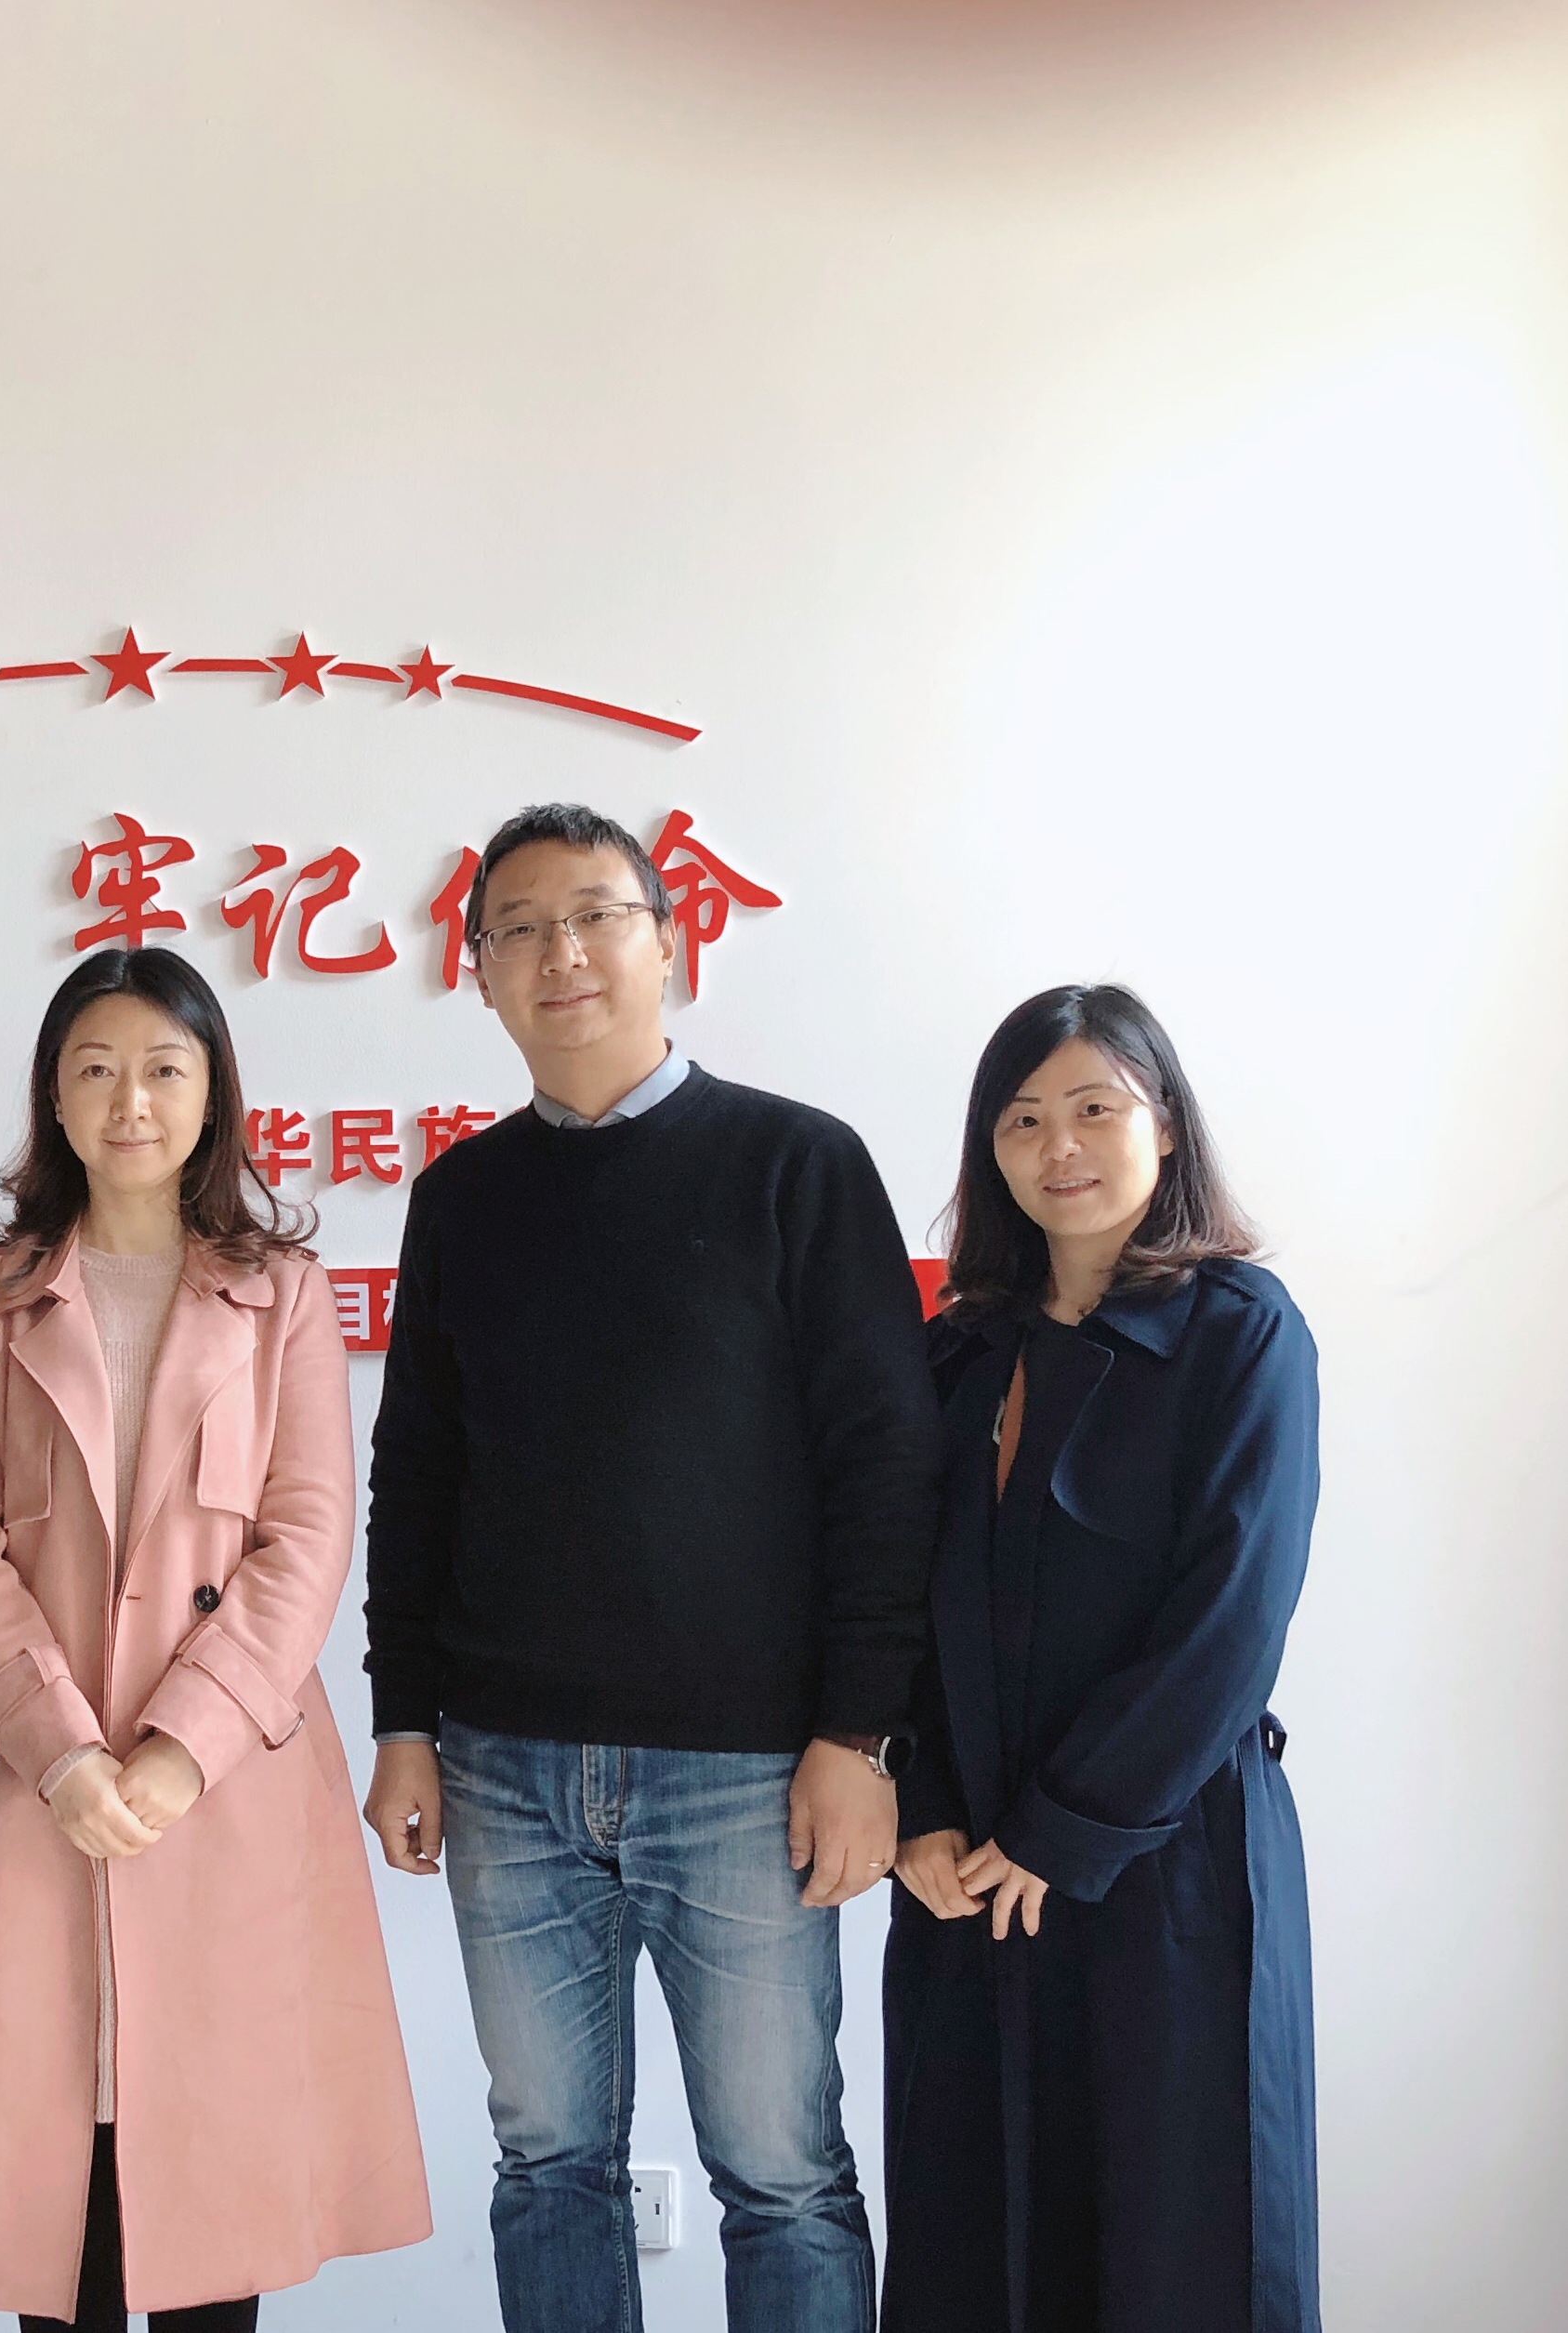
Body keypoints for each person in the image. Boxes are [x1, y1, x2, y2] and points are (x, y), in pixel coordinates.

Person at [359, 800, 945, 2333]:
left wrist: (861, 1733)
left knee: (783, 2173)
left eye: (595, 915)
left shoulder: (797, 1164)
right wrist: (404, 1717)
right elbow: (416, 1477)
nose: (560, 953)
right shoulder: (461, 1199)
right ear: (481, 972)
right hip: (505, 1767)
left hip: (750, 1770)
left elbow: (887, 1466)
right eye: (519, 928)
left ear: (668, 945)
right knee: (548, 2164)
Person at [0, 947, 431, 2333]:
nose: (130, 1100)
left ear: (210, 1095)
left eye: (163, 1069)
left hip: (225, 1795)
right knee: (51, 2206)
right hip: (35, 1789)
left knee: (210, 2205)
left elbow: (306, 1538)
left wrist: (183, 1748)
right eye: (96, 1068)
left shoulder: (283, 1292)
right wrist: (63, 1752)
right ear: (54, 1099)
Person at [881, 984, 1320, 2331]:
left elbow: (1231, 1619)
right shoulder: (955, 1352)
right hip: (966, 1873)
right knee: (972, 2230)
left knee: (1175, 2243)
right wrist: (923, 1807)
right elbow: (895, 1599)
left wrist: (1065, 1828)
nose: (1057, 1146)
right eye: (1022, 1119)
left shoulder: (1242, 1330)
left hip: (1166, 1859)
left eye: (1094, 1108)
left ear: (1166, 1125)